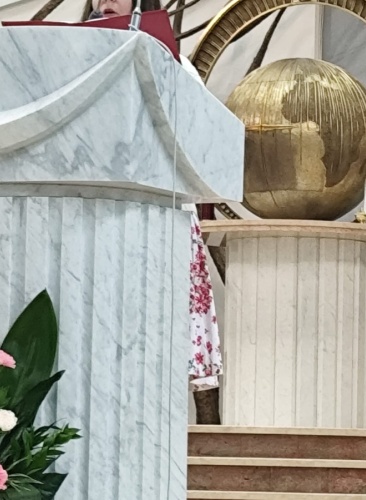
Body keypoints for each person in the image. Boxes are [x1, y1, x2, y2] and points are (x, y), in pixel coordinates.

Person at [80, 0, 223, 394]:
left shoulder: (174, 63)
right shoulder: (74, 58)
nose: (104, 3)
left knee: (156, 362)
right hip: (92, 216)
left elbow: (204, 135)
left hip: (159, 216)